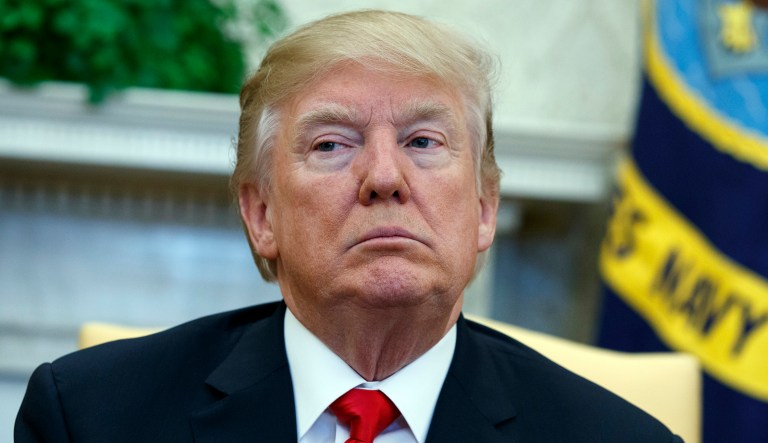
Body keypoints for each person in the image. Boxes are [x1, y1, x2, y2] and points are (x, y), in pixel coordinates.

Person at [16, 10, 682, 442]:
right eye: (332, 144)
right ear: (261, 213)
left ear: (483, 207)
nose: (384, 176)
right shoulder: (92, 417)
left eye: (424, 141)